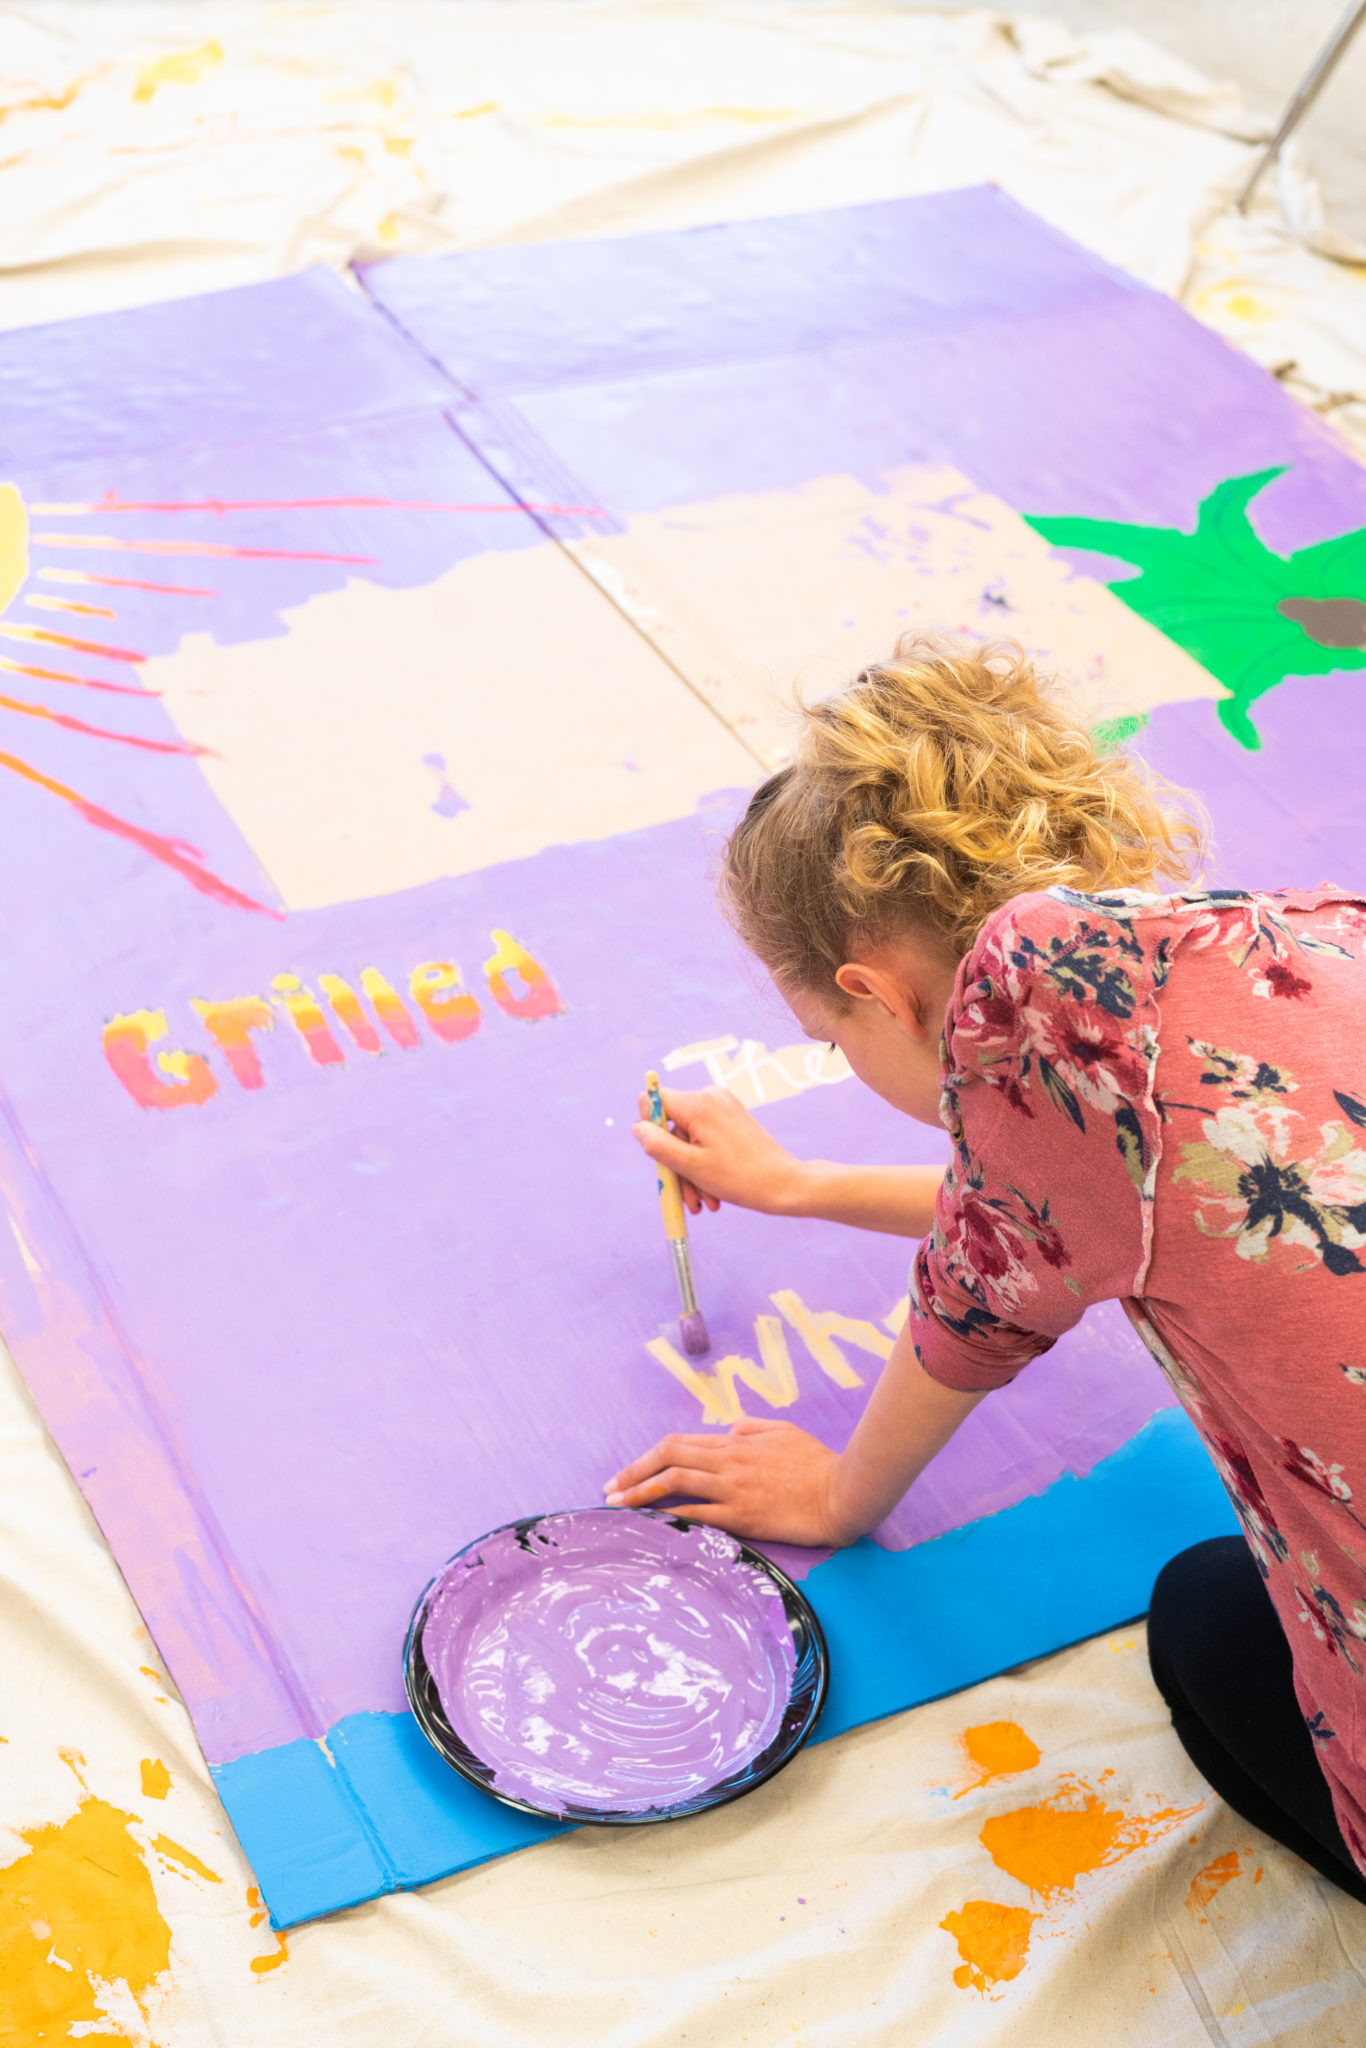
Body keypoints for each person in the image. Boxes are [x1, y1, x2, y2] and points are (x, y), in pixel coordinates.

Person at [605, 636, 1366, 1906]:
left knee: (1206, 1620)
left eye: (823, 1034)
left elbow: (983, 1291)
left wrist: (841, 1496)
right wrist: (797, 1186)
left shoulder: (1028, 1034)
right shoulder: (1296, 939)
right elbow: (1089, 1203)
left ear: (877, 993)